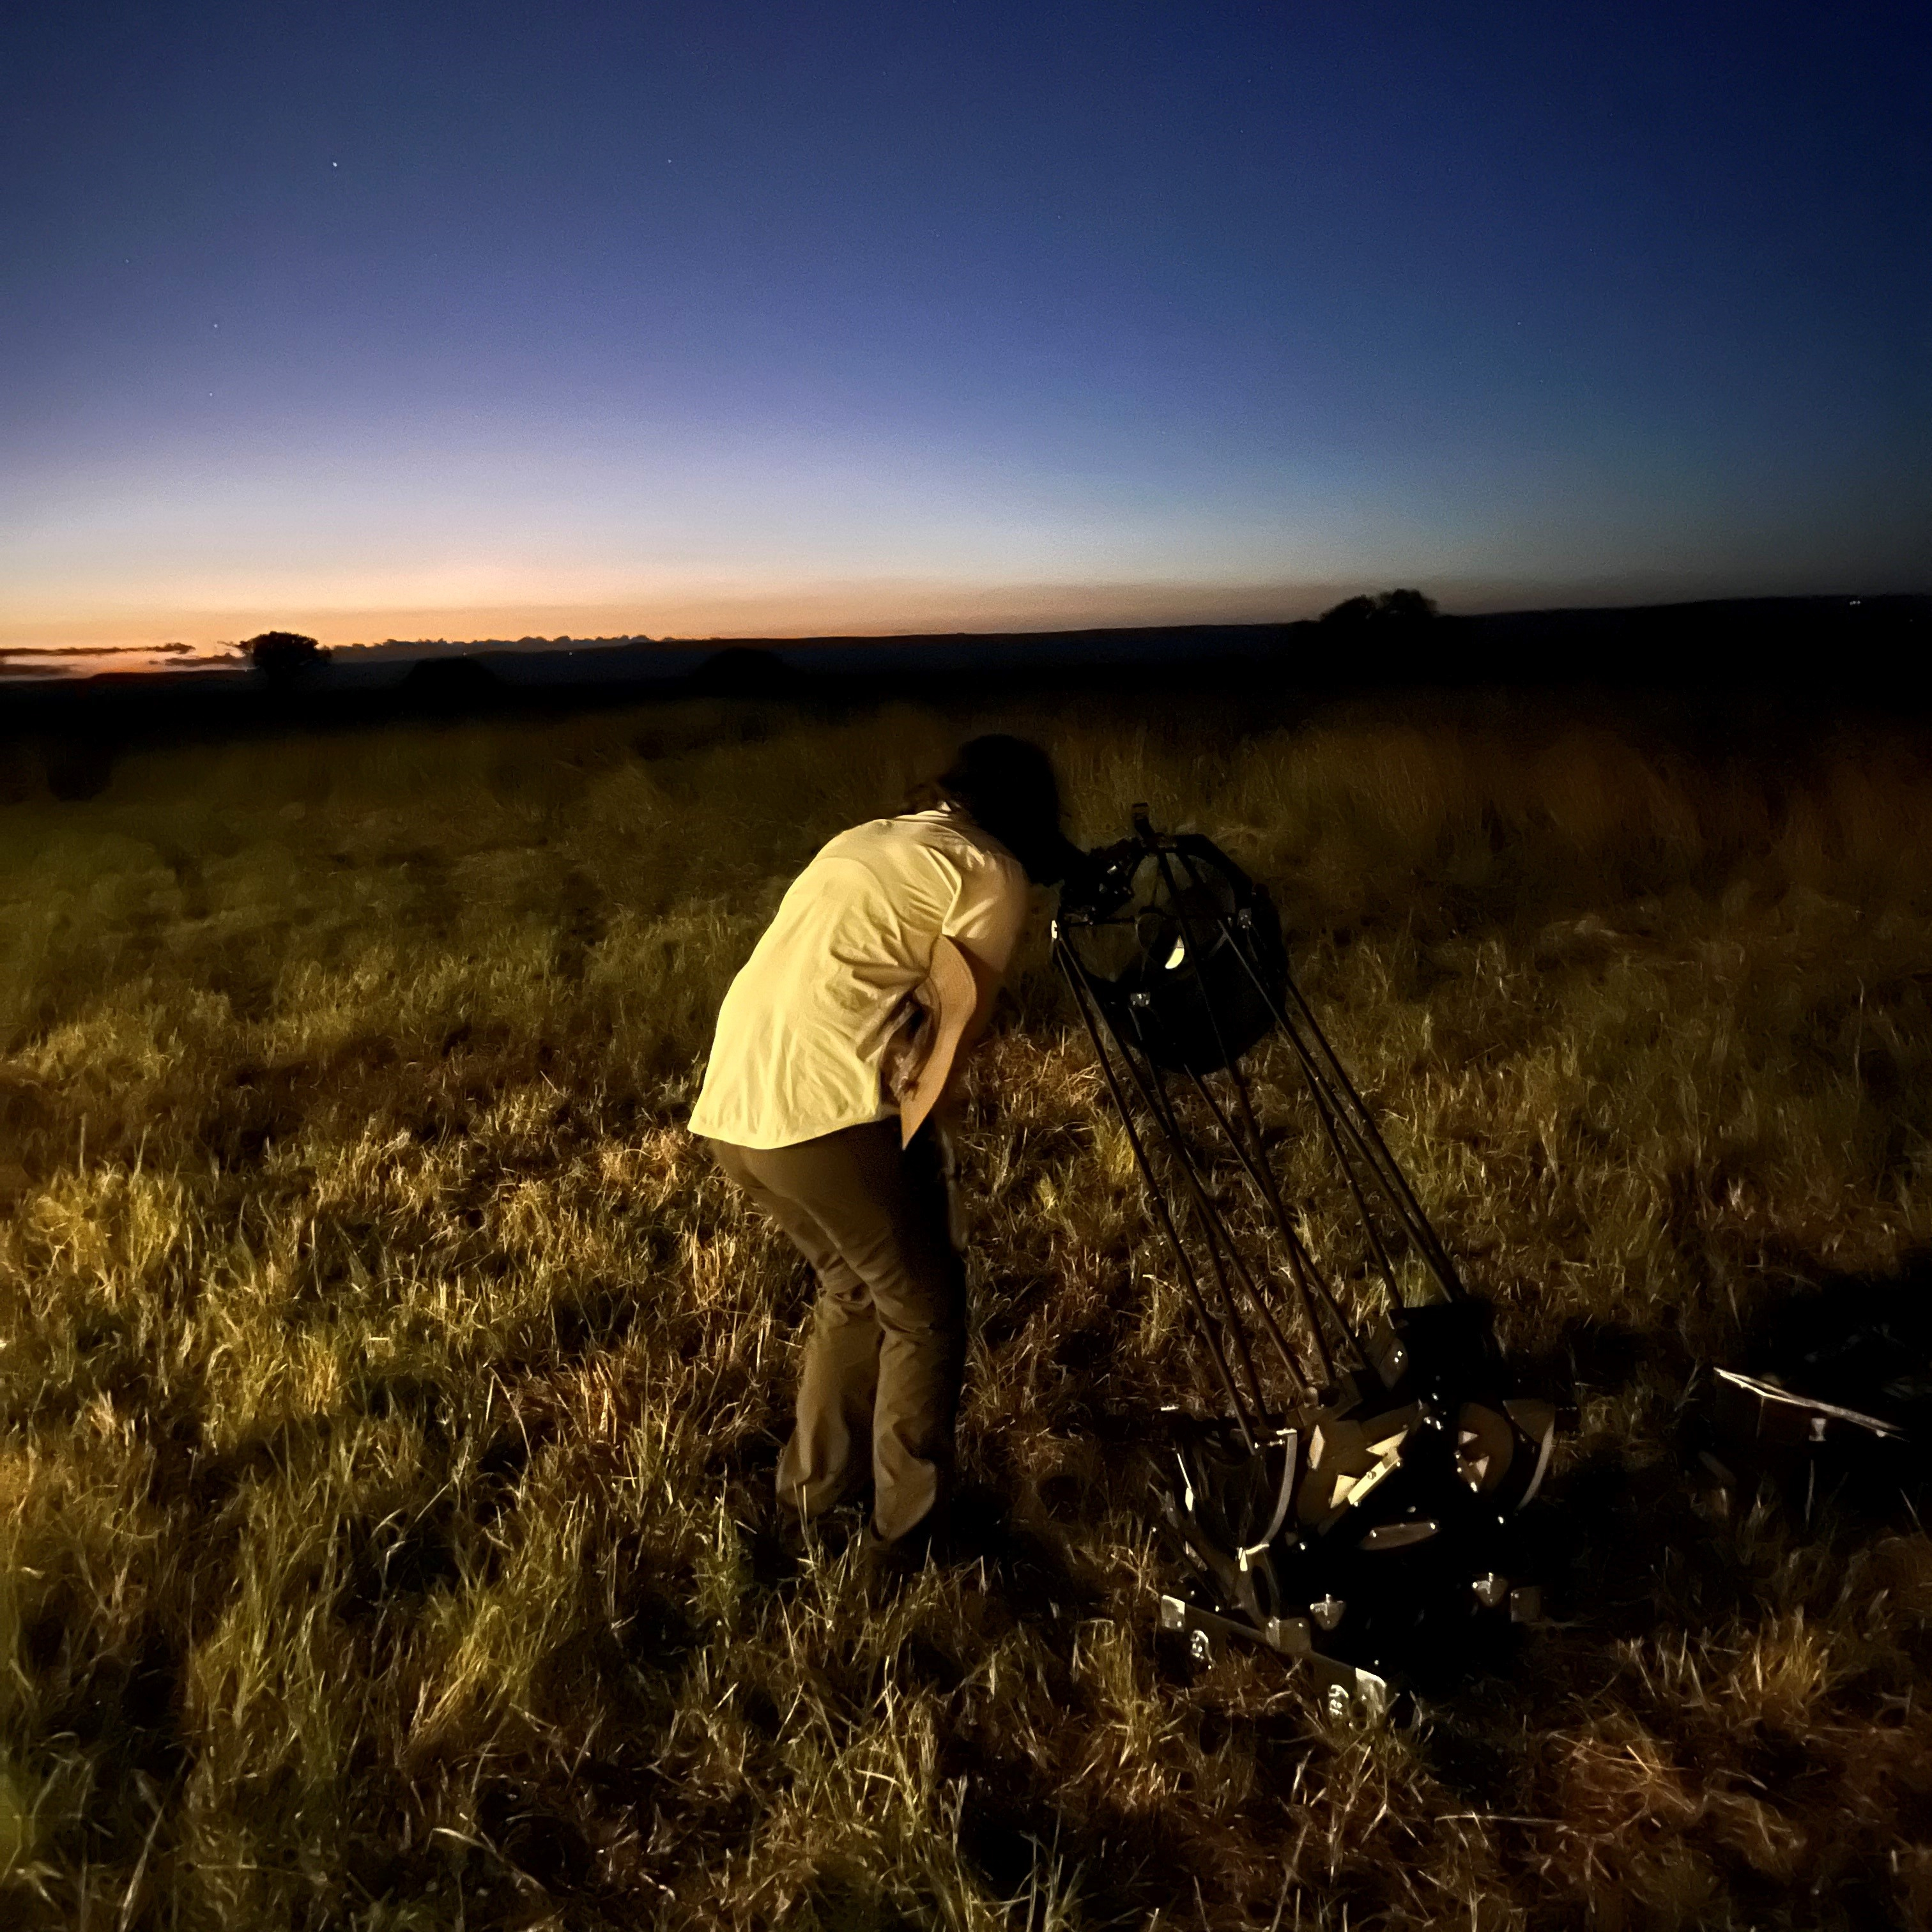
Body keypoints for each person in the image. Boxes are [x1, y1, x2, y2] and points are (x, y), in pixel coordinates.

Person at [689, 735, 1080, 1566]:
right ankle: (909, 1535)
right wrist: (920, 1130)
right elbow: (958, 1015)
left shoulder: (866, 837)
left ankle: (813, 1493)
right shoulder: (988, 870)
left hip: (733, 1108)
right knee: (925, 1307)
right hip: (826, 1115)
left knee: (852, 1290)